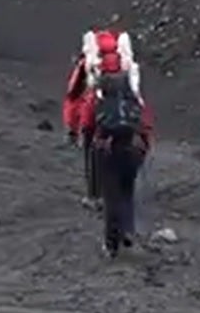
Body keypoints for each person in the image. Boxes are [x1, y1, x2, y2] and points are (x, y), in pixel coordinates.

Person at [62, 23, 156, 255]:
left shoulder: (93, 75)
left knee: (110, 191)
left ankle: (109, 238)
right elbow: (143, 113)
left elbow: (74, 96)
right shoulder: (128, 81)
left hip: (105, 142)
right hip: (131, 142)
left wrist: (74, 130)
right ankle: (128, 231)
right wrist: (145, 142)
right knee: (126, 190)